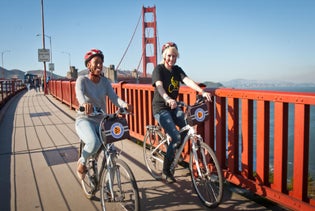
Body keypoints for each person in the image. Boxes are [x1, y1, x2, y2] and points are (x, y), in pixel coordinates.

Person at [152, 42, 211, 183]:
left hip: (173, 107)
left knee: (187, 127)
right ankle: (166, 170)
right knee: (177, 137)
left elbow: (187, 81)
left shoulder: (177, 70)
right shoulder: (158, 69)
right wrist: (167, 98)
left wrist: (201, 91)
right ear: (164, 56)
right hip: (161, 108)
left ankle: (174, 147)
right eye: (169, 55)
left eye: (174, 56)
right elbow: (159, 86)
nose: (172, 59)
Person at [75, 48, 131, 180]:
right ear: (88, 65)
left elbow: (114, 98)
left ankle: (107, 187)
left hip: (102, 121)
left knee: (110, 151)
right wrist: (84, 105)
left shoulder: (105, 82)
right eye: (96, 62)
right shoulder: (81, 80)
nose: (100, 65)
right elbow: (79, 94)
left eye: (101, 62)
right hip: (85, 120)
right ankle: (82, 161)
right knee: (93, 142)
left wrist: (124, 105)